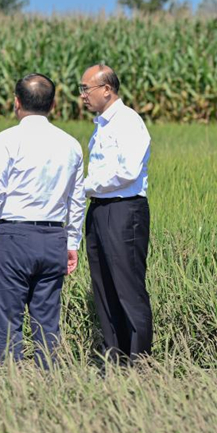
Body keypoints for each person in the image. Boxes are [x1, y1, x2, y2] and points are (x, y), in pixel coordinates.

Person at [0, 73, 86, 367]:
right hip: (53, 238)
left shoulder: (8, 139)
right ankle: (47, 382)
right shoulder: (71, 144)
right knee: (47, 322)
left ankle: (8, 384)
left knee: (8, 319)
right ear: (53, 104)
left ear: (16, 102)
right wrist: (72, 241)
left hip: (14, 236)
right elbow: (77, 199)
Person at [79, 64, 152, 364]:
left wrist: (85, 185)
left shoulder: (128, 122)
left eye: (86, 89)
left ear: (107, 89)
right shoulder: (102, 125)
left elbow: (128, 171)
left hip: (124, 211)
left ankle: (140, 360)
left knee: (127, 287)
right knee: (104, 287)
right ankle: (115, 356)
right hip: (99, 210)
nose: (82, 95)